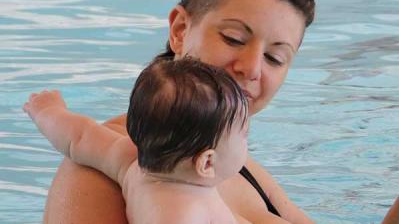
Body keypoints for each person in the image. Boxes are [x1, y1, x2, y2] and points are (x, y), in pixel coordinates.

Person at [42, 0, 399, 224]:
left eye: (275, 58)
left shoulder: (243, 168)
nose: (250, 68)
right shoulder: (103, 171)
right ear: (179, 30)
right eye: (233, 38)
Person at [26, 60, 259, 223]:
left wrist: (47, 111)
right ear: (206, 163)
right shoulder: (182, 214)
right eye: (244, 134)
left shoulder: (129, 162)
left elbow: (79, 137)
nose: (247, 140)